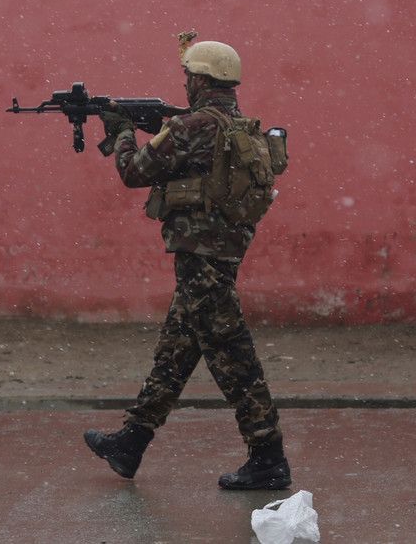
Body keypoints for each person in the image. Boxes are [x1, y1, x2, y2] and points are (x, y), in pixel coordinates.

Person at [83, 36, 290, 490]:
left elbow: (133, 171)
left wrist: (122, 131)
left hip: (199, 255)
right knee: (176, 352)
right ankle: (131, 442)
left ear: (199, 80)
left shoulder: (191, 127)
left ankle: (268, 456)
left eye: (188, 76)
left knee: (231, 354)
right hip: (223, 250)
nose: (185, 84)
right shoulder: (240, 125)